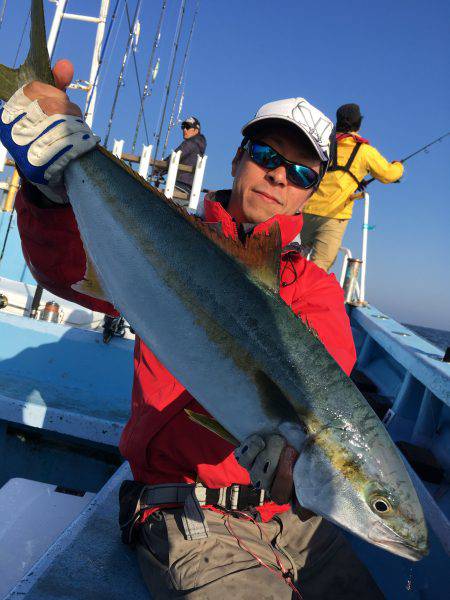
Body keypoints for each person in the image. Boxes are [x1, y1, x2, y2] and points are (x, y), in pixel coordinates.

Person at [0, 61, 384, 599]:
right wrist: (47, 196)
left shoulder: (316, 290)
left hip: (297, 527)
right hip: (187, 515)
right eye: (269, 156)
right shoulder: (170, 239)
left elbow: (326, 384)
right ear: (238, 156)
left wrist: (298, 464)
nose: (279, 176)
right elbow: (69, 271)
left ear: (309, 194)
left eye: (300, 173)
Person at [301, 103, 404, 272]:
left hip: (305, 209)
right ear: (359, 123)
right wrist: (398, 166)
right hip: (333, 216)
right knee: (317, 268)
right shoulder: (365, 151)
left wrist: (354, 179)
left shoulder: (324, 143)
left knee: (291, 256)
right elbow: (388, 175)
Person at [162, 116, 207, 198]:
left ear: (196, 130)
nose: (184, 130)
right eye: (183, 127)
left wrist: (157, 169)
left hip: (180, 185)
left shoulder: (191, 143)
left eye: (188, 127)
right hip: (189, 189)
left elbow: (175, 157)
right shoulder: (199, 145)